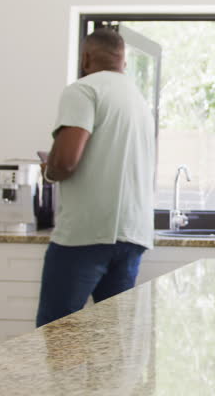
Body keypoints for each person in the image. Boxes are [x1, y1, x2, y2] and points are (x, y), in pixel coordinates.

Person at [35, 28, 156, 327]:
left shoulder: (84, 90)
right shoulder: (138, 100)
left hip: (87, 234)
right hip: (132, 234)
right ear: (123, 62)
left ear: (86, 57)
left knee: (58, 334)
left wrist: (49, 170)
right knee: (110, 342)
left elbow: (65, 161)